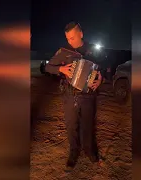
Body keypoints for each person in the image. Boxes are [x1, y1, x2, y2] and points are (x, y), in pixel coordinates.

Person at [45, 22, 105, 171]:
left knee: (88, 126)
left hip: (88, 96)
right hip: (69, 96)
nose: (69, 41)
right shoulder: (64, 51)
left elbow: (101, 70)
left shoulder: (93, 50)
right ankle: (73, 154)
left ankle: (91, 153)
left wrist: (100, 80)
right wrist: (61, 69)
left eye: (72, 38)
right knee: (71, 127)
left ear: (81, 34)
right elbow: (48, 67)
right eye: (67, 38)